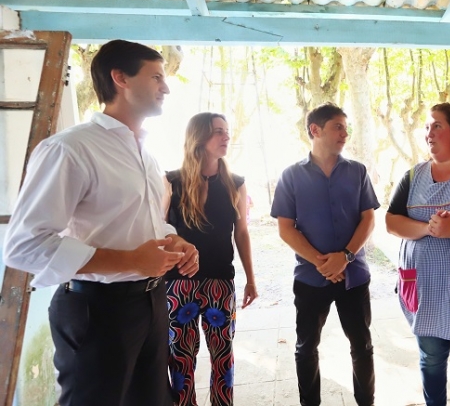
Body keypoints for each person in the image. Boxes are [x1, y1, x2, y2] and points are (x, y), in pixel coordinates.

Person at [2, 39, 199, 406]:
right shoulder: (70, 149)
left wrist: (175, 241)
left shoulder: (146, 154)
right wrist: (132, 261)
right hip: (97, 311)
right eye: (156, 76)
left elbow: (145, 224)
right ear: (120, 78)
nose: (166, 87)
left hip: (152, 302)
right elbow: (24, 246)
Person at [270, 103, 379, 406]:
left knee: (362, 345)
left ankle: (366, 402)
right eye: (338, 126)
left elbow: (368, 218)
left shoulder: (357, 171)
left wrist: (344, 256)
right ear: (315, 130)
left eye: (346, 127)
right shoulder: (291, 176)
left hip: (354, 276)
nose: (345, 133)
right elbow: (286, 228)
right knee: (306, 347)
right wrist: (323, 263)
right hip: (309, 278)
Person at [385, 103, 450, 406]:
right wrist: (429, 229)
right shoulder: (413, 176)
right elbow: (392, 222)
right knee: (431, 360)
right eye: (427, 127)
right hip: (425, 285)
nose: (429, 133)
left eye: (437, 126)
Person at [164, 112, 258, 406]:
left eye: (227, 131)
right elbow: (159, 231)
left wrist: (251, 279)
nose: (226, 136)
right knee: (181, 359)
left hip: (221, 280)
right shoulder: (171, 182)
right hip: (179, 283)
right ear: (199, 138)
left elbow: (241, 233)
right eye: (218, 131)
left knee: (223, 357)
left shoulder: (236, 183)